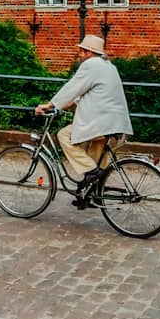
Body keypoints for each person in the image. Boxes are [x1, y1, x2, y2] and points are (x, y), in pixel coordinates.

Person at [34, 34, 133, 203]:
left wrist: (49, 105)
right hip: (115, 123)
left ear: (88, 52)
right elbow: (80, 95)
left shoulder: (91, 65)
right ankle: (92, 194)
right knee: (95, 158)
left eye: (81, 51)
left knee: (64, 136)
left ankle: (91, 174)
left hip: (100, 123)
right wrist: (61, 106)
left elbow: (71, 88)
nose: (79, 54)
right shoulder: (109, 67)